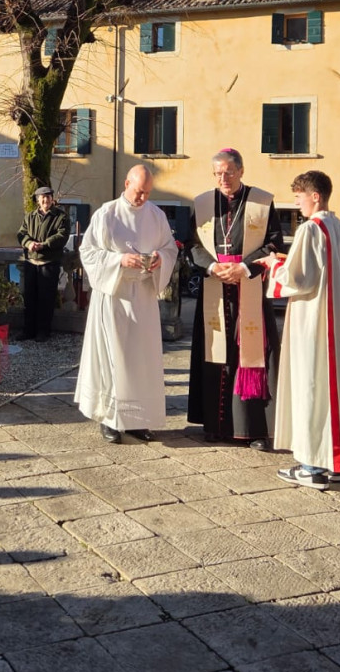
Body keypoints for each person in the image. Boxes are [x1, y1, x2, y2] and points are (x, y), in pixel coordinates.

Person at [260, 171, 340, 490]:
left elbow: (299, 279)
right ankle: (335, 464)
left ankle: (311, 467)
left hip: (314, 322)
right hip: (337, 322)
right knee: (333, 390)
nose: (297, 204)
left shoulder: (311, 228)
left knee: (311, 388)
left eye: (299, 197)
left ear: (315, 196)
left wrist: (273, 265)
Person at [187, 148, 285, 449]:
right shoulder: (203, 203)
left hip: (249, 287)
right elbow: (192, 245)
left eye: (228, 172)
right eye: (217, 173)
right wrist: (212, 266)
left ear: (241, 171)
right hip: (215, 287)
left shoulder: (262, 202)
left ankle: (253, 430)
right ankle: (215, 425)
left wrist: (243, 267)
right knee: (215, 357)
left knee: (252, 357)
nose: (223, 178)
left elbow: (273, 244)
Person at [74, 165, 177, 443]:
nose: (142, 198)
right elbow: (88, 251)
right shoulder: (106, 214)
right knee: (113, 358)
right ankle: (110, 418)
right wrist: (119, 260)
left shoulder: (156, 215)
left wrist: (160, 258)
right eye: (138, 191)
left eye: (147, 193)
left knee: (141, 360)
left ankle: (136, 420)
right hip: (114, 294)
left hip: (143, 295)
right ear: (126, 183)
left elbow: (170, 248)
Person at [17, 186, 70, 342]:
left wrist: (44, 245)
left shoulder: (61, 216)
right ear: (37, 200)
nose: (45, 200)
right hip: (31, 262)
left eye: (48, 197)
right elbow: (21, 233)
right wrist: (28, 243)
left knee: (46, 299)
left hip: (49, 263)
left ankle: (43, 332)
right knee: (29, 298)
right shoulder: (30, 216)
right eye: (42, 197)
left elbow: (62, 235)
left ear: (52, 199)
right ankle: (28, 330)